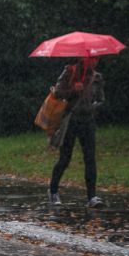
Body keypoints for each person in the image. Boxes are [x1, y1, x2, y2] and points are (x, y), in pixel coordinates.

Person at [47, 56, 105, 208]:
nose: (95, 61)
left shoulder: (97, 77)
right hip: (71, 120)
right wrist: (73, 89)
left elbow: (101, 99)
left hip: (88, 121)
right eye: (92, 58)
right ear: (83, 58)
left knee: (90, 158)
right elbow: (57, 92)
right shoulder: (69, 71)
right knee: (65, 158)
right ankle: (53, 191)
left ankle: (92, 197)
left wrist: (93, 107)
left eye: (96, 58)